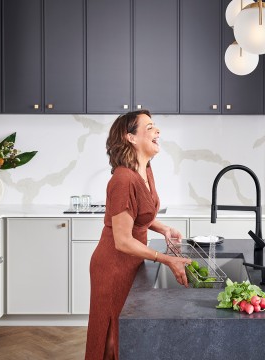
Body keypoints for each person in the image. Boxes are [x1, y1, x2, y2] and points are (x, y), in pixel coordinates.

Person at [85, 110, 191, 360]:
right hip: (112, 266)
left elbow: (139, 214)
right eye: (150, 127)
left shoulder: (145, 171)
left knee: (125, 332)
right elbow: (122, 240)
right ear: (130, 137)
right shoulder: (123, 180)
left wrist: (162, 227)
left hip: (131, 263)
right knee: (111, 334)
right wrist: (166, 259)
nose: (158, 132)